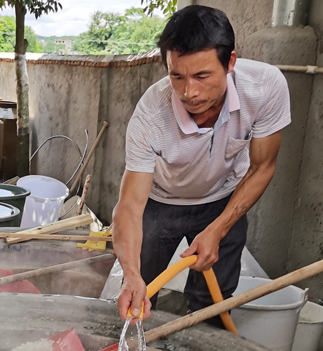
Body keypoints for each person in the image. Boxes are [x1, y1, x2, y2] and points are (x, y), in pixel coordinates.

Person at [112, 5, 291, 323]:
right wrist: (129, 274)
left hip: (224, 200)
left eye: (202, 76)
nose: (188, 92)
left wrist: (218, 229)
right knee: (137, 295)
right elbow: (128, 208)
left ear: (230, 62)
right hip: (161, 202)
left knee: (213, 304)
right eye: (176, 76)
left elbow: (262, 167)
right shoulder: (150, 116)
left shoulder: (265, 87)